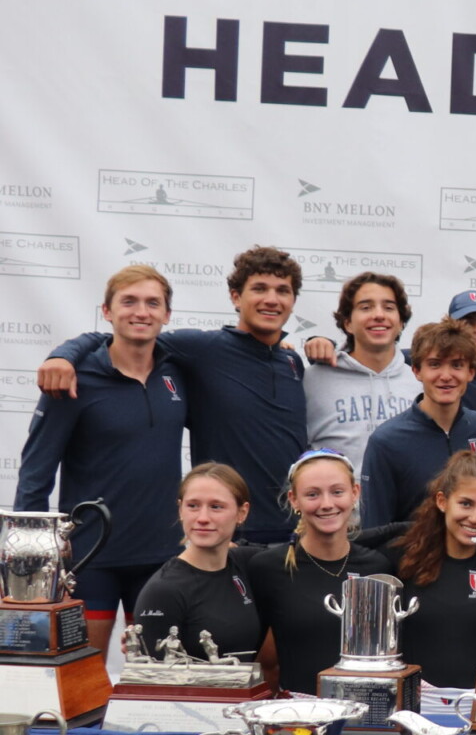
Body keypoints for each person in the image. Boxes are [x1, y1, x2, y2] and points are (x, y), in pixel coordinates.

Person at [40, 246, 308, 543]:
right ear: (235, 296)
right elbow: (120, 336)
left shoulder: (293, 363)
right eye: (259, 288)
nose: (271, 299)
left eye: (282, 291)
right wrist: (62, 356)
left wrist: (317, 342)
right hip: (228, 535)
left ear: (293, 301)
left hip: (294, 534)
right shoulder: (201, 349)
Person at [16, 263, 186, 653]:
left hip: (163, 557)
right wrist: (30, 555)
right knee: (81, 672)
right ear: (107, 311)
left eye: (152, 303)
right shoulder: (73, 379)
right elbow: (36, 473)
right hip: (90, 559)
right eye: (129, 301)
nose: (140, 312)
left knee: (155, 677)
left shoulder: (178, 372)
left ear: (166, 315)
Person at [247, 449, 392, 695]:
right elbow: (259, 656)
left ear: (354, 492)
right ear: (294, 500)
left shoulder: (378, 567)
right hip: (298, 716)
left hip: (363, 715)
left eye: (337, 492)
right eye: (312, 494)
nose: (326, 504)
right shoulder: (268, 569)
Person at [358, 322, 476, 529]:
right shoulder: (386, 441)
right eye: (435, 364)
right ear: (417, 370)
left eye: (457, 365)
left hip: (474, 560)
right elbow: (374, 530)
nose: (445, 376)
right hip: (410, 560)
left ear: (471, 372)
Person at [393, 451, 476, 690]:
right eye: (466, 504)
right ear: (442, 501)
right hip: (415, 708)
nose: (475, 518)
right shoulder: (403, 558)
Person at [132, 464, 263, 662]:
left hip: (248, 691)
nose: (202, 518)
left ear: (242, 513)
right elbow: (153, 682)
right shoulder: (163, 591)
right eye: (193, 506)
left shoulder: (248, 563)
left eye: (216, 507)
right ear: (180, 510)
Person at [302, 272, 421, 469]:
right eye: (366, 307)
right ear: (347, 323)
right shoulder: (312, 381)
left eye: (389, 307)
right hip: (335, 499)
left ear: (400, 323)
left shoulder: (420, 383)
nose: (379, 315)